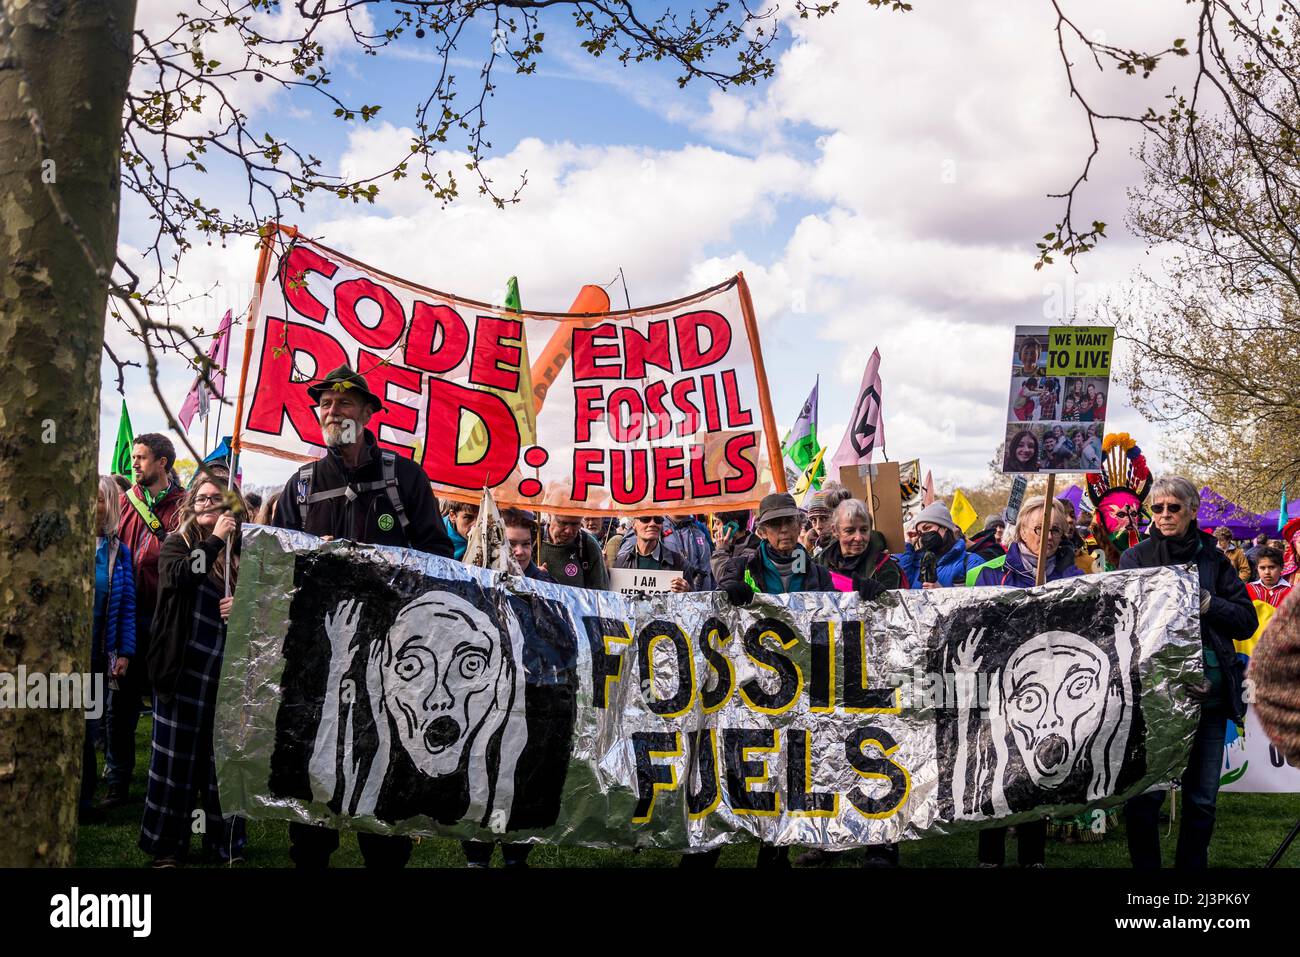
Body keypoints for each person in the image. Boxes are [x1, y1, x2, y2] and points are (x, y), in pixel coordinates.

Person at [271, 364, 454, 868]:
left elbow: (438, 558)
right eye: (326, 403)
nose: (333, 411)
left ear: (369, 412)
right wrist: (316, 560)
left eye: (345, 402)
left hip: (393, 662)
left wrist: (380, 572)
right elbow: (280, 568)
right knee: (314, 789)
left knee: (385, 794)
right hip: (319, 661)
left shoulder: (403, 477)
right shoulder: (302, 486)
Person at [1119, 477, 1257, 869]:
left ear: (1192, 510)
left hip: (1208, 700)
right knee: (1144, 799)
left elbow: (1246, 621)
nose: (1164, 515)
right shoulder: (1135, 559)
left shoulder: (1215, 561)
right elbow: (1119, 627)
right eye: (1157, 508)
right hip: (1154, 701)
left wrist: (1210, 604)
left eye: (1173, 507)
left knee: (1201, 800)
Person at [712, 492, 842, 869]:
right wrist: (729, 581)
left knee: (788, 766)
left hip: (797, 684)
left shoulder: (815, 571)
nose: (784, 531)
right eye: (775, 524)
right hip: (749, 685)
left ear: (800, 526)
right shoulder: (746, 564)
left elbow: (832, 613)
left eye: (789, 522)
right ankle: (711, 844)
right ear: (763, 530)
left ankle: (775, 851)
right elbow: (721, 582)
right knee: (743, 764)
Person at [140, 472, 248, 866]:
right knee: (176, 767)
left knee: (220, 768)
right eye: (200, 499)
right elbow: (183, 576)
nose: (206, 504)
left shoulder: (242, 557)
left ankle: (224, 846)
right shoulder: (177, 545)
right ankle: (168, 848)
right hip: (182, 673)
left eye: (215, 499)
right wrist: (215, 538)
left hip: (226, 676)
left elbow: (267, 609)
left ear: (230, 509)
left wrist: (243, 605)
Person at [971, 496, 1083, 867]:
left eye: (1056, 530)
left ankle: (1032, 858)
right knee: (996, 774)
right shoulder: (990, 574)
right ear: (1021, 530)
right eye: (1040, 529)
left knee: (1037, 772)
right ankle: (990, 857)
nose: (1048, 536)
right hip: (1000, 689)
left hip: (1050, 694)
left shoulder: (1073, 577)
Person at [460, 507, 550, 869]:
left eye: (526, 544)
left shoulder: (546, 585)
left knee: (521, 780)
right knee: (478, 779)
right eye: (512, 544)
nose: (520, 552)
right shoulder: (470, 580)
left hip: (528, 702)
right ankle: (476, 856)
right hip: (480, 704)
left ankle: (516, 855)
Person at [102, 433, 183, 810]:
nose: (134, 463)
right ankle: (116, 781)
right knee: (121, 705)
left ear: (163, 463)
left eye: (142, 457)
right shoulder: (122, 502)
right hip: (127, 616)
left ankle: (160, 784)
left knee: (167, 704)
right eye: (133, 457)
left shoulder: (185, 506)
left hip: (168, 618)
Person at [83, 476, 137, 823]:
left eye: (99, 498)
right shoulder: (66, 542)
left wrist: (124, 652)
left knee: (88, 728)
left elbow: (127, 604)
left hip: (97, 652)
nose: (92, 504)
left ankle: (81, 803)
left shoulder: (119, 550)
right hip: (63, 650)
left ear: (111, 506)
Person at [898, 502, 985, 589]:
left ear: (945, 526)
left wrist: (941, 592)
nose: (924, 534)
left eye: (927, 528)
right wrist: (907, 545)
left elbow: (983, 600)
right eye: (920, 533)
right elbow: (899, 585)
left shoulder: (972, 562)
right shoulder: (917, 563)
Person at [614, 515, 690, 592]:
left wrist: (687, 591)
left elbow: (695, 600)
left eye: (658, 519)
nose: (652, 524)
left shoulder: (679, 562)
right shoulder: (621, 562)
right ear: (634, 525)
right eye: (645, 519)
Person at [537, 513, 610, 590]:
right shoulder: (532, 540)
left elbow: (601, 594)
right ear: (550, 516)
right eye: (563, 523)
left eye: (575, 524)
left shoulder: (588, 545)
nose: (569, 531)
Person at [663, 514, 715, 590]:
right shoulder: (657, 527)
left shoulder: (699, 529)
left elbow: (707, 569)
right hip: (668, 592)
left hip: (697, 596)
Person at [710, 509, 758, 586]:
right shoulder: (730, 545)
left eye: (717, 523)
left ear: (733, 525)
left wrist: (721, 551)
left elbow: (726, 581)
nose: (714, 528)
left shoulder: (752, 549)